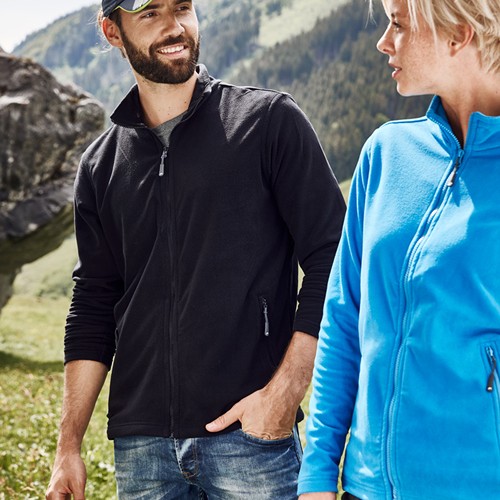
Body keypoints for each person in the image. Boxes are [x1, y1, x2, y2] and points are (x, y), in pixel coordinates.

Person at [45, 0, 346, 498]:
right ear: (113, 32)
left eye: (182, 7)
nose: (174, 26)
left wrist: (284, 393)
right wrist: (68, 446)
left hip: (251, 439)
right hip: (142, 451)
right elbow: (93, 304)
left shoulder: (268, 121)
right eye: (150, 14)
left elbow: (333, 257)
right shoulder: (99, 166)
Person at [297, 0, 500, 498]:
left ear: (458, 33)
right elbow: (343, 319)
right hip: (364, 487)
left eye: (398, 24)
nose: (383, 42)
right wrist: (318, 473)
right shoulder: (385, 155)